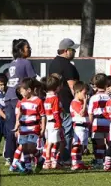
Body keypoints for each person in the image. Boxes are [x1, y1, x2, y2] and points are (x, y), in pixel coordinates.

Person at [3, 39, 36, 167]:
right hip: (18, 98)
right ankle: (23, 156)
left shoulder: (12, 63)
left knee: (11, 128)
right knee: (24, 127)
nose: (30, 49)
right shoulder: (26, 62)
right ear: (21, 50)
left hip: (8, 97)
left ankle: (9, 157)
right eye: (28, 47)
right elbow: (31, 81)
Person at [49, 38, 80, 166]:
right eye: (73, 50)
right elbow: (72, 86)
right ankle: (65, 157)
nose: (75, 53)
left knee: (56, 132)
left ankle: (53, 156)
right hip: (66, 102)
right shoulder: (67, 65)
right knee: (67, 132)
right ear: (66, 51)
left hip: (55, 102)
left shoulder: (53, 63)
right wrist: (78, 102)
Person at [41, 74, 62, 169]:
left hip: (47, 123)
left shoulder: (46, 98)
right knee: (51, 143)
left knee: (50, 142)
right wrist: (58, 123)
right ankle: (48, 162)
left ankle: (50, 160)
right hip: (53, 122)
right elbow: (56, 112)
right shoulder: (55, 98)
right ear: (57, 88)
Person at [68, 81, 91, 171]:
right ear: (77, 92)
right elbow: (81, 113)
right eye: (84, 93)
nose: (85, 96)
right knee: (76, 145)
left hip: (85, 126)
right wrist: (85, 103)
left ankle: (79, 162)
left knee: (82, 146)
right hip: (78, 126)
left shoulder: (82, 102)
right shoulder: (75, 102)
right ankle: (74, 163)